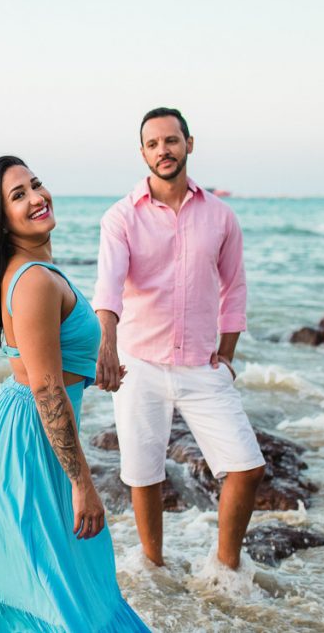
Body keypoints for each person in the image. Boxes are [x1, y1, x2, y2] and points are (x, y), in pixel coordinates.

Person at [0, 156, 149, 632]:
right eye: (18, 196)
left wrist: (92, 365)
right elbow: (45, 389)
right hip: (26, 443)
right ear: (0, 221)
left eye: (35, 185)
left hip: (18, 427)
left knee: (58, 584)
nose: (37, 198)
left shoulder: (36, 268)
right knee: (63, 589)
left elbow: (50, 364)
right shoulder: (35, 281)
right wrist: (83, 484)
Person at [93, 108, 266, 571]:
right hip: (139, 363)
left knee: (248, 468)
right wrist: (106, 346)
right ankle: (154, 567)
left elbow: (235, 288)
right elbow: (108, 288)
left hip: (200, 365)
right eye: (153, 144)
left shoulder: (221, 216)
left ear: (189, 143)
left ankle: (225, 570)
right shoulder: (120, 218)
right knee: (142, 474)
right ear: (142, 152)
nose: (163, 151)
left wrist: (227, 357)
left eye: (171, 140)